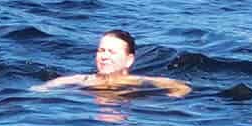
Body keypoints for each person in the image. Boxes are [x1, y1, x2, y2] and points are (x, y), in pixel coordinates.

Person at [33, 29, 190, 98]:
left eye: (112, 52)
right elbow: (41, 89)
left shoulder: (140, 81)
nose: (104, 56)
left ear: (129, 60)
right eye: (101, 51)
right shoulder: (80, 80)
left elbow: (182, 87)